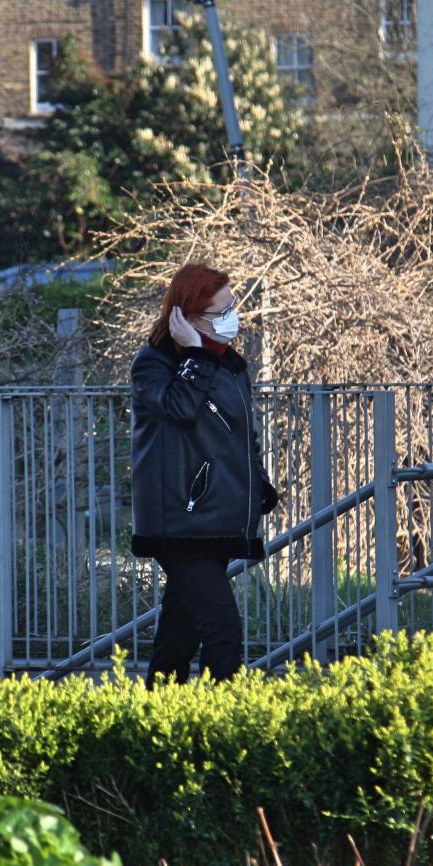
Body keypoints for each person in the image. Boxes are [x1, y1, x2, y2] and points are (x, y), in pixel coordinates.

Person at [130, 262, 278, 686]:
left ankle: (160, 721)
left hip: (218, 518)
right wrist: (193, 353)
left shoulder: (229, 365)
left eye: (233, 307)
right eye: (221, 311)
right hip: (179, 523)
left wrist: (258, 483)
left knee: (179, 633)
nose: (234, 318)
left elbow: (238, 436)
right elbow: (180, 407)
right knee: (222, 629)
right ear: (187, 317)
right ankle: (221, 727)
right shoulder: (153, 364)